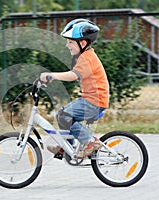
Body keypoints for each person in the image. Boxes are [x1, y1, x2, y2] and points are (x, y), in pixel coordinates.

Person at [40, 19, 110, 158]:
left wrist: (51, 76)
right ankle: (67, 146)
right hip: (91, 100)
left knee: (64, 115)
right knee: (63, 115)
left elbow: (73, 75)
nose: (67, 45)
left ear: (82, 43)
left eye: (70, 42)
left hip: (95, 101)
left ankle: (90, 142)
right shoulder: (84, 56)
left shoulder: (87, 58)